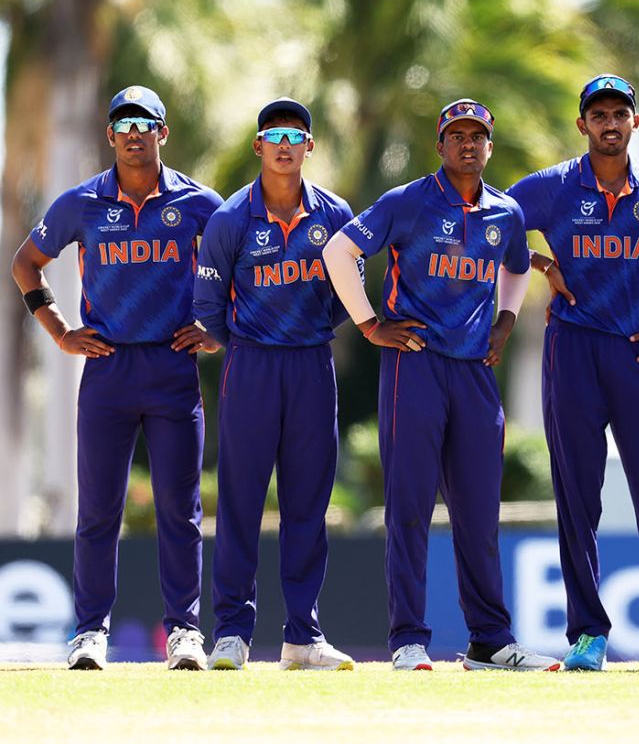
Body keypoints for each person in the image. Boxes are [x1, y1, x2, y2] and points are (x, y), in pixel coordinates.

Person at [322, 98, 558, 672]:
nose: (469, 144)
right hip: (415, 364)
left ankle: (490, 642)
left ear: (489, 146)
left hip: (475, 372)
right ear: (441, 145)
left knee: (478, 510)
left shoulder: (505, 212)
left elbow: (519, 267)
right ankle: (408, 638)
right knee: (408, 506)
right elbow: (339, 249)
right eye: (458, 135)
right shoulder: (409, 201)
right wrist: (370, 324)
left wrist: (504, 323)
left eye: (479, 135)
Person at [11, 85, 222, 670]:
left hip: (172, 367)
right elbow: (25, 263)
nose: (133, 132)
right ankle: (89, 634)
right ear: (109, 135)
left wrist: (216, 328)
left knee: (179, 509)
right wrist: (59, 331)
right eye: (122, 123)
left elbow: (242, 263)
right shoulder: (81, 204)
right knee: (99, 509)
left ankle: (184, 633)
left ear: (163, 132)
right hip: (107, 370)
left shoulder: (200, 202)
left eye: (144, 122)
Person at [506, 75, 639, 671]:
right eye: (599, 114)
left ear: (635, 123)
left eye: (620, 113)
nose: (610, 123)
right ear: (582, 125)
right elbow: (489, 223)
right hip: (573, 351)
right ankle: (587, 635)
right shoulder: (553, 187)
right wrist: (541, 261)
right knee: (577, 497)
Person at [193, 98, 356, 671]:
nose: (285, 144)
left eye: (296, 134)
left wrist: (305, 332)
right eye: (273, 134)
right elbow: (208, 308)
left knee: (308, 503)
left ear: (309, 146)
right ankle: (232, 634)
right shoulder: (230, 219)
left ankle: (302, 637)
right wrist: (246, 339)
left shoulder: (336, 216)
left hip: (312, 364)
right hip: (251, 365)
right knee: (239, 500)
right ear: (258, 146)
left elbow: (347, 301)